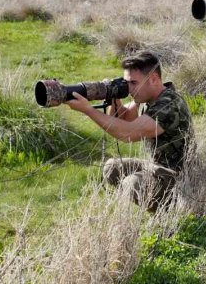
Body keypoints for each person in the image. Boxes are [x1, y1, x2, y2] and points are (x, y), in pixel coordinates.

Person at [65, 51, 193, 212]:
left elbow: (127, 133)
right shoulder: (148, 98)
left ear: (153, 79)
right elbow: (124, 118)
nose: (129, 88)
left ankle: (171, 212)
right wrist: (113, 96)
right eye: (126, 83)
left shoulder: (169, 105)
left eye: (133, 83)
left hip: (180, 176)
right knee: (112, 168)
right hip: (156, 167)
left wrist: (88, 110)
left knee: (132, 184)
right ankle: (159, 204)